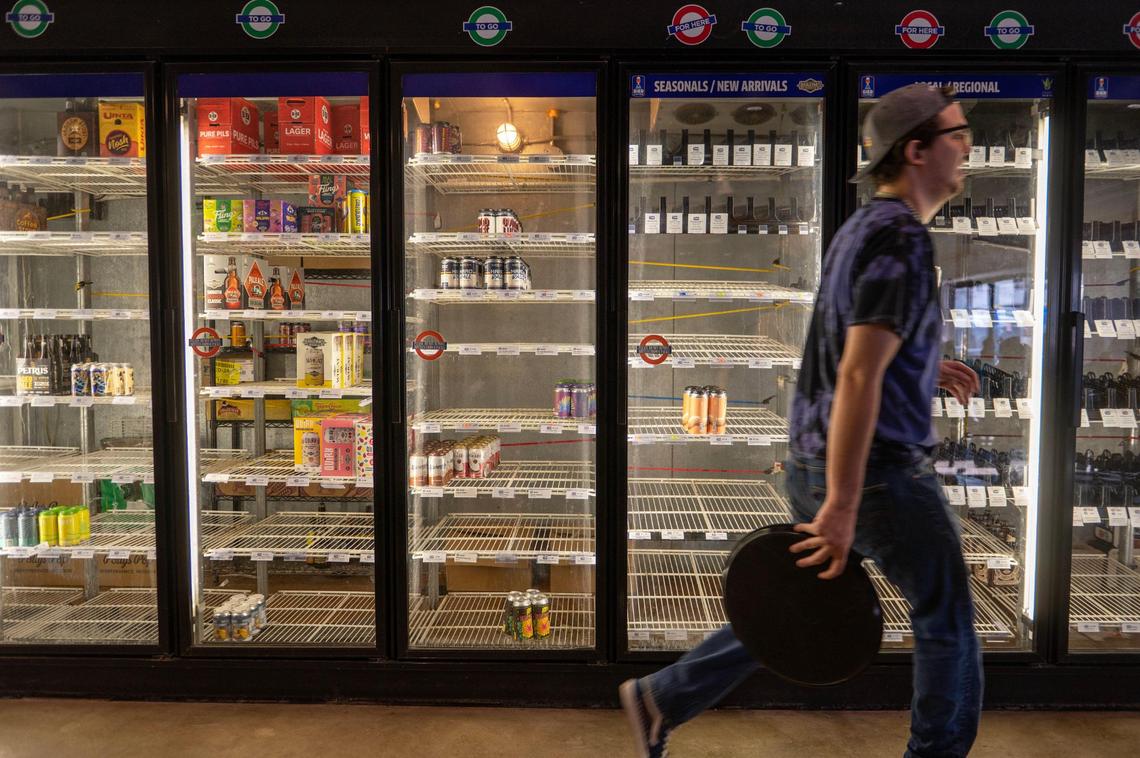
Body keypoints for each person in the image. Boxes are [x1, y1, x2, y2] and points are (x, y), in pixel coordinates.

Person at [620, 83, 983, 758]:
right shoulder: (901, 237)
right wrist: (845, 505)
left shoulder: (862, 227)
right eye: (957, 135)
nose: (967, 148)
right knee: (948, 618)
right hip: (875, 472)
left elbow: (857, 341)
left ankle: (662, 696)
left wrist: (923, 364)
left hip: (816, 461)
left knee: (794, 605)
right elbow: (857, 372)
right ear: (916, 150)